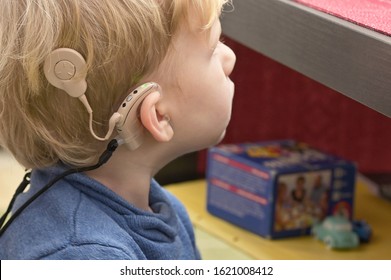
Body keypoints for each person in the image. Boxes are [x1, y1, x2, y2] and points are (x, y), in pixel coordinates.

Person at [0, 0, 236, 259]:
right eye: (213, 49)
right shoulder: (83, 257)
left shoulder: (159, 208)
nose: (230, 59)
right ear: (157, 116)